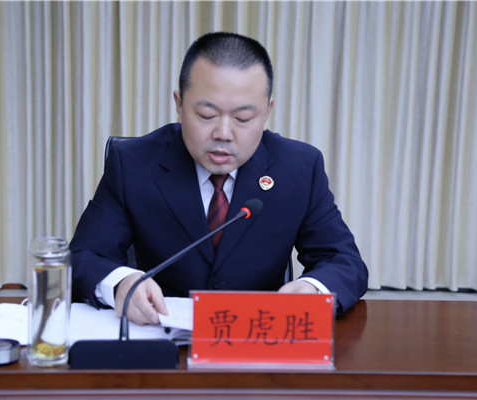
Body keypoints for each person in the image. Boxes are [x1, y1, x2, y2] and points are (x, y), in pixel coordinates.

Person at [70, 32, 368, 325]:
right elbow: (83, 256)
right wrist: (121, 282)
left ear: (267, 112)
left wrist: (312, 288)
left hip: (257, 336)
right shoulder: (134, 163)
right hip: (161, 334)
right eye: (206, 115)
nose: (223, 133)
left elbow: (344, 261)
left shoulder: (299, 167)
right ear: (179, 105)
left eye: (243, 118)